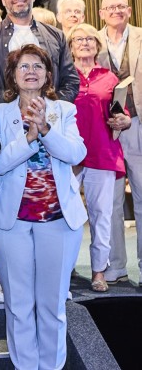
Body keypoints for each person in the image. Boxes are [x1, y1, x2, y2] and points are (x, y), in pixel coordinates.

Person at [0, 44, 86, 370]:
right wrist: (28, 138)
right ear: (13, 75)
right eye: (23, 66)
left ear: (47, 74)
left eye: (37, 66)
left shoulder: (63, 111)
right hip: (10, 222)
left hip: (58, 219)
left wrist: (44, 128)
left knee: (52, 304)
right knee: (18, 305)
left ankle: (52, 367)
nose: (31, 72)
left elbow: (75, 154)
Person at [68, 23, 129, 292]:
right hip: (68, 154)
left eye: (90, 39)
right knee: (66, 216)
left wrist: (123, 120)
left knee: (101, 215)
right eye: (78, 39)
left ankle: (99, 272)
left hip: (103, 152)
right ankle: (64, 269)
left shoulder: (110, 78)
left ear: (97, 45)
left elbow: (121, 113)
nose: (84, 43)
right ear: (70, 47)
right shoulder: (63, 76)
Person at [97, 0, 142, 284]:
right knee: (110, 202)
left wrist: (131, 115)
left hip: (137, 124)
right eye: (110, 7)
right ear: (101, 13)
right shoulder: (90, 39)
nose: (116, 11)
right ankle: (115, 266)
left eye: (120, 6)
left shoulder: (141, 36)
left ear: (128, 10)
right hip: (105, 130)